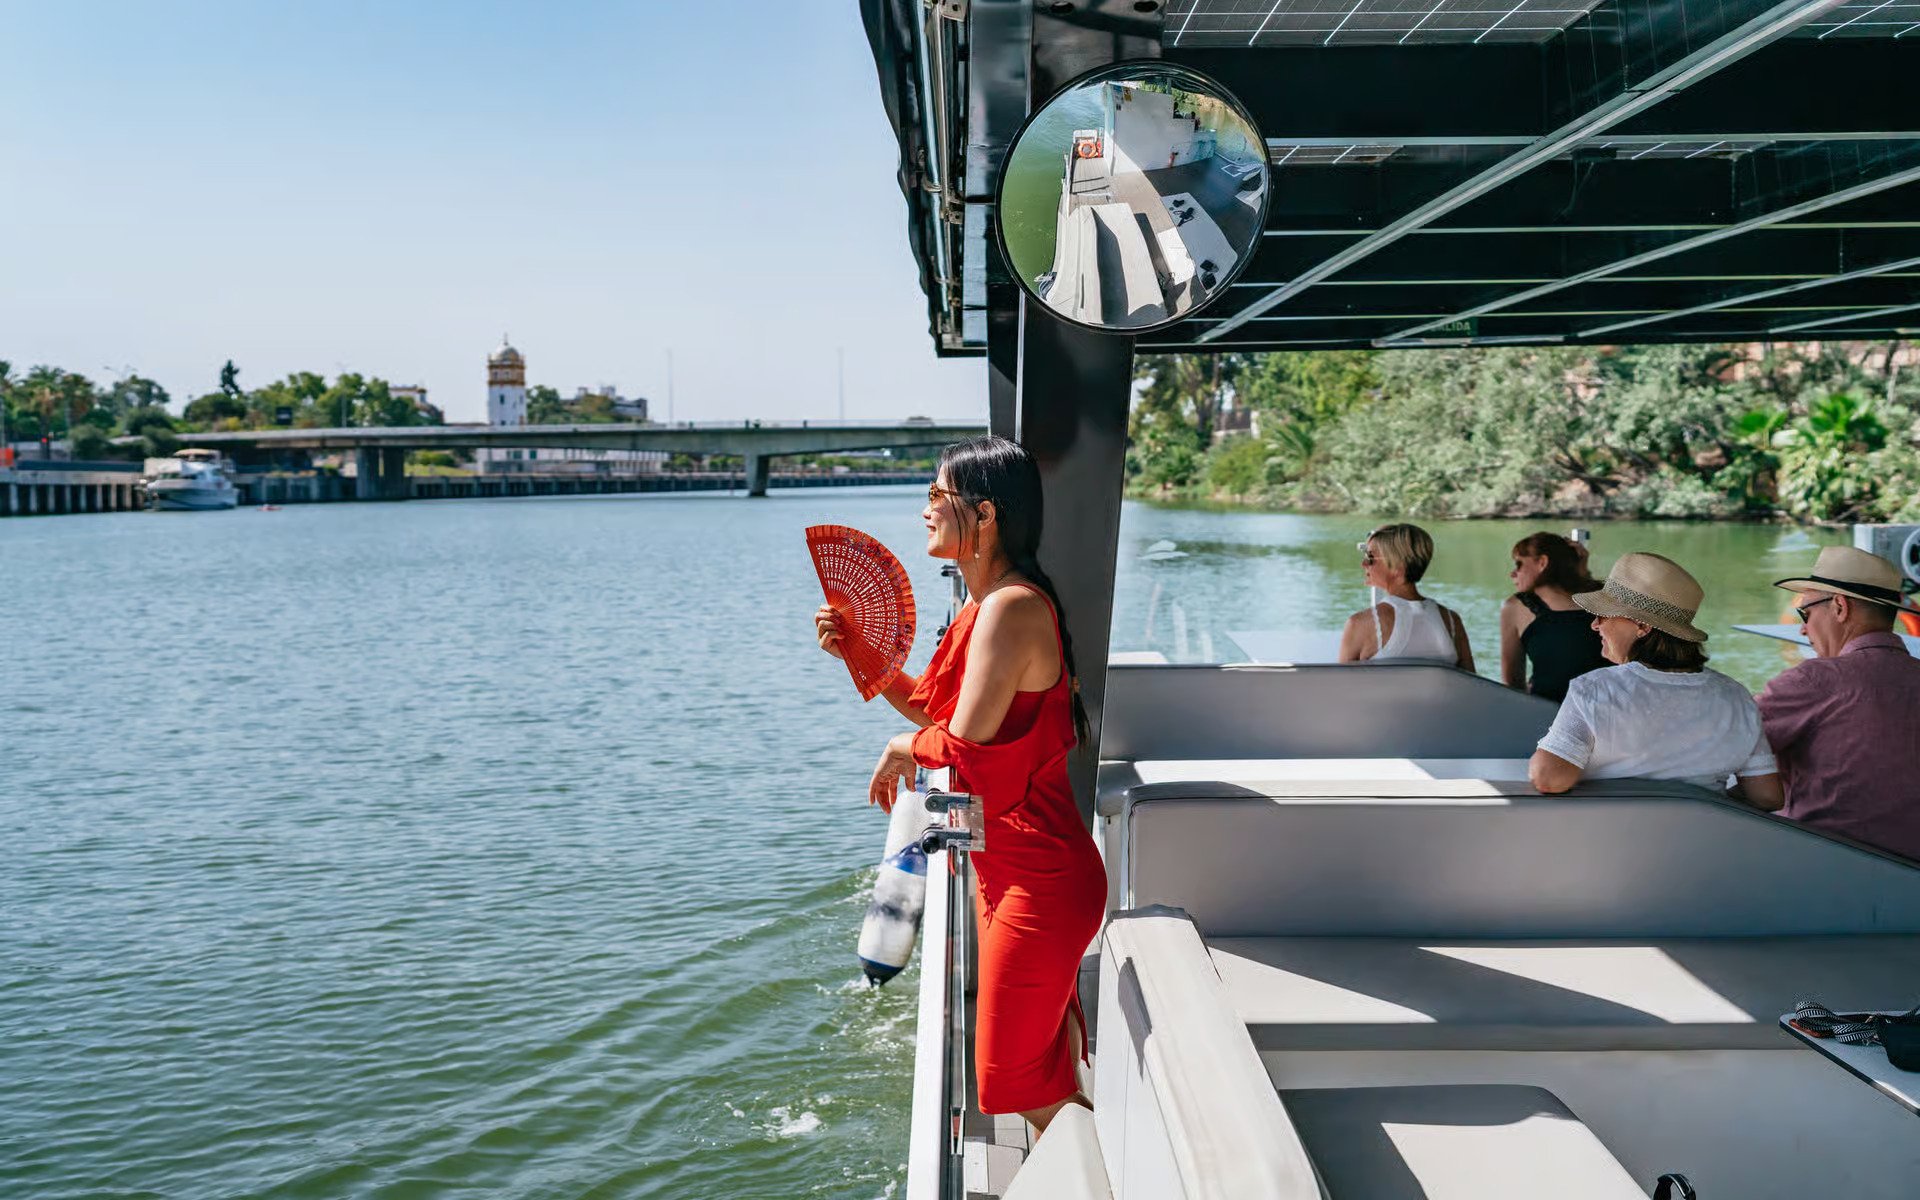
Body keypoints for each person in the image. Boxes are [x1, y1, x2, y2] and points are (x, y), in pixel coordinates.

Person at [813, 435, 1104, 1133]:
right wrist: (858, 649)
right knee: (1037, 1072)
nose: (923, 511)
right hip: (1008, 869)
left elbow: (964, 749)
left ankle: (1110, 1174)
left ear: (985, 514)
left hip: (1040, 879)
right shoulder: (988, 608)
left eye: (935, 497)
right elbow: (942, 716)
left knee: (1009, 1078)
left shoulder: (1011, 609)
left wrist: (899, 745)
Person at [1529, 551, 1783, 805]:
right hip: (1705, 839)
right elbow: (1767, 797)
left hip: (1611, 838)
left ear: (1642, 626)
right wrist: (1706, 798)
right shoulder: (1736, 697)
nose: (1595, 624)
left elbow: (1547, 778)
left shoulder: (1596, 689)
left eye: (1605, 614)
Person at [1752, 547, 1920, 860]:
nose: (1802, 628)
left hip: (1827, 868)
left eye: (1806, 613)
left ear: (1840, 607)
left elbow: (1724, 742)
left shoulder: (1815, 680)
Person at [1337, 523, 1474, 669]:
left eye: (1370, 557)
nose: (1364, 564)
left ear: (1398, 567)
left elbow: (1341, 687)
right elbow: (1472, 684)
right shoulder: (1452, 621)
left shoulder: (1360, 624)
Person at [1499, 531, 1606, 701]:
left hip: (1603, 714)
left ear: (1542, 563)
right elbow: (1512, 684)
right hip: (1544, 713)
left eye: (1519, 564)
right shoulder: (1515, 607)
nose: (1513, 574)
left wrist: (1582, 572)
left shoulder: (1602, 599)